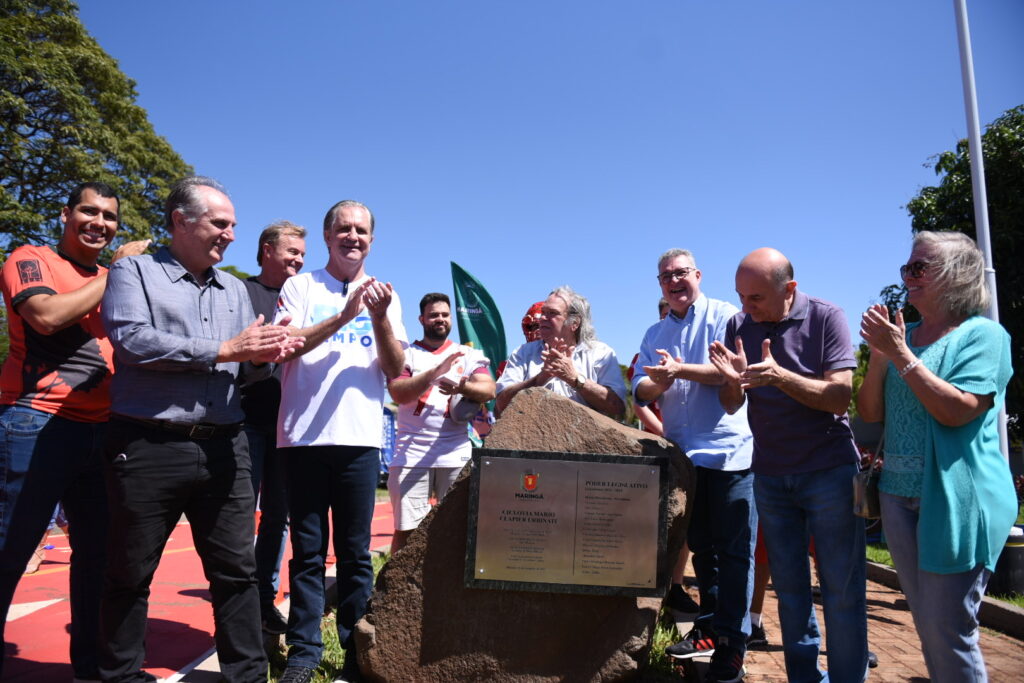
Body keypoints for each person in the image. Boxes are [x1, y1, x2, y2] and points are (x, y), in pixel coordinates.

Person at [99, 176, 302, 683]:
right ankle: (120, 676)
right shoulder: (133, 273)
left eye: (234, 224)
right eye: (220, 223)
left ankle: (248, 676)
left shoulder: (235, 288)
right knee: (129, 574)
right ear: (180, 221)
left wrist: (266, 357)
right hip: (148, 445)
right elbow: (134, 343)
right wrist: (226, 350)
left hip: (226, 449)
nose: (231, 234)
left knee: (237, 574)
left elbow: (244, 365)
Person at [0, 182, 148, 681]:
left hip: (103, 433)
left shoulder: (115, 276)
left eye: (109, 216)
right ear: (65, 213)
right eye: (89, 211)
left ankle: (91, 666)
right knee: (10, 547)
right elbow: (45, 316)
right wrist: (118, 274)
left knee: (100, 561)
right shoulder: (30, 258)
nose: (99, 223)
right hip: (35, 421)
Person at [857, 231, 1015, 682]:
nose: (908, 276)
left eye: (920, 267)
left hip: (960, 501)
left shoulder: (984, 336)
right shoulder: (899, 337)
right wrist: (881, 357)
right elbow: (869, 413)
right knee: (929, 626)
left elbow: (954, 412)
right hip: (897, 498)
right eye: (907, 267)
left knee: (949, 628)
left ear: (957, 275)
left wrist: (901, 353)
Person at [709, 247, 868, 683]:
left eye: (756, 297)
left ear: (789, 289)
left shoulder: (826, 317)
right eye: (741, 296)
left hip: (830, 472)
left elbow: (840, 397)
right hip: (772, 477)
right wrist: (732, 380)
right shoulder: (740, 324)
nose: (746, 307)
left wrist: (779, 377)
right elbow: (730, 404)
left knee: (841, 592)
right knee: (791, 594)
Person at [274, 199, 407, 683]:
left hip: (358, 440)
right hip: (304, 438)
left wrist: (376, 318)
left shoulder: (386, 295)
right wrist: (344, 315)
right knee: (308, 553)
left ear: (372, 239)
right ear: (328, 237)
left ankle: (354, 650)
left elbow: (396, 371)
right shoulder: (300, 286)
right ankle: (304, 652)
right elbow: (285, 346)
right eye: (344, 229)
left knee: (354, 554)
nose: (353, 236)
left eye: (362, 230)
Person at [632, 249, 755, 682]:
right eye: (665, 276)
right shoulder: (655, 331)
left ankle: (732, 645)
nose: (674, 281)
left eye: (681, 273)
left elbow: (729, 374)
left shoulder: (725, 317)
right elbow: (641, 390)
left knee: (734, 552)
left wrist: (678, 370)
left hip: (730, 453)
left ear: (698, 275)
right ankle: (712, 630)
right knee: (704, 549)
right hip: (685, 456)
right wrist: (659, 381)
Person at [387, 292, 496, 553]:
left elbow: (489, 390)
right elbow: (399, 392)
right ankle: (392, 592)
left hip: (455, 454)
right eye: (434, 314)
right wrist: (433, 374)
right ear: (421, 319)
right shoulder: (406, 354)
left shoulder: (467, 354)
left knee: (456, 530)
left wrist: (463, 386)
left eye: (445, 315)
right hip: (411, 454)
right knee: (406, 532)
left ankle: (448, 593)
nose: (440, 319)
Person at [240, 220, 307, 634]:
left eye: (303, 254)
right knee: (240, 514)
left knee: (279, 516)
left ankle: (265, 600)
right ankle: (239, 598)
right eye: (292, 252)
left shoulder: (306, 297)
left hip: (289, 427)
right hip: (245, 421)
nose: (299, 260)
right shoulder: (240, 292)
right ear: (266, 250)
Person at [495, 286, 625, 419]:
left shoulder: (600, 353)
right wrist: (539, 379)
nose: (543, 318)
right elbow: (500, 404)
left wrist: (574, 379)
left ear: (574, 323)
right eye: (543, 312)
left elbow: (617, 407)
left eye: (552, 313)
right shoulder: (523, 353)